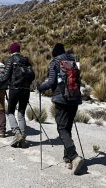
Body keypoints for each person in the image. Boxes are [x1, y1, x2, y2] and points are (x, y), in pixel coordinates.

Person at [38, 43, 83, 175]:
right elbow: (78, 79)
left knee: (61, 128)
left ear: (54, 53)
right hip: (75, 98)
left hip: (61, 98)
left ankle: (74, 156)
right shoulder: (74, 61)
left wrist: (41, 87)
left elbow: (52, 82)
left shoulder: (55, 62)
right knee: (67, 128)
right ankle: (67, 158)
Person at [0, 42, 35, 147]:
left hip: (15, 89)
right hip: (26, 90)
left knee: (10, 112)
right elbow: (32, 76)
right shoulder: (26, 60)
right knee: (21, 113)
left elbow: (5, 77)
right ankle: (22, 137)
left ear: (11, 50)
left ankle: (16, 133)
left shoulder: (11, 60)